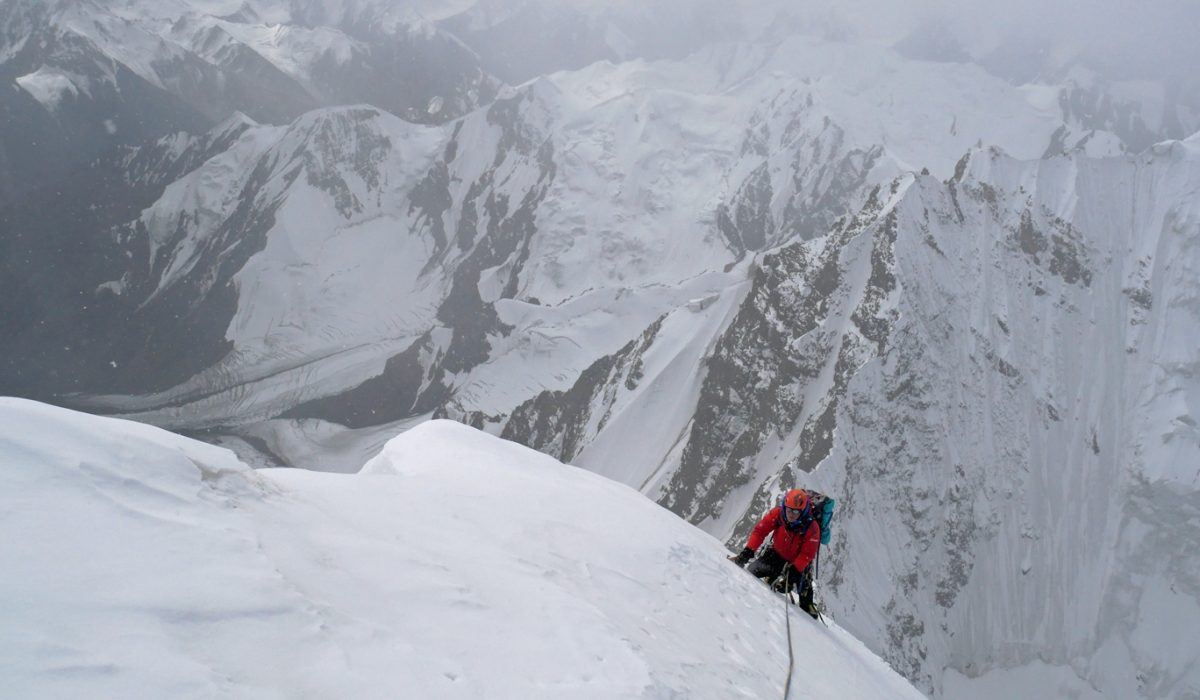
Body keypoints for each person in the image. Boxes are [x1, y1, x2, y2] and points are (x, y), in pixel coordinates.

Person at [730, 488, 821, 617]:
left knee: (806, 606)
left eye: (796, 511)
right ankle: (772, 576)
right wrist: (748, 551)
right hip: (777, 553)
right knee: (752, 571)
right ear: (785, 507)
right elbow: (760, 531)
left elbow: (807, 554)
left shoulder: (812, 528)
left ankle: (809, 609)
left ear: (804, 511)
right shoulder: (778, 514)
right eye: (789, 510)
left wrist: (793, 574)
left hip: (799, 564)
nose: (791, 514)